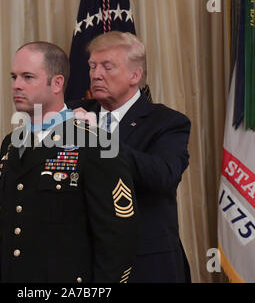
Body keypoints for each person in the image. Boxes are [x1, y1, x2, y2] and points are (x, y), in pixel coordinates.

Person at [0, 41, 139, 283]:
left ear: (57, 83)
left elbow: (119, 239)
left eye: (28, 77)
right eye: (14, 77)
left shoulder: (95, 144)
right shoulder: (11, 143)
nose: (17, 85)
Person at [68, 31, 192, 283]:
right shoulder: (69, 114)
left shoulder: (167, 122)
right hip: (80, 263)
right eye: (92, 66)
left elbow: (162, 175)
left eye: (107, 66)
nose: (96, 74)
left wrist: (99, 139)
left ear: (135, 75)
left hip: (143, 264)